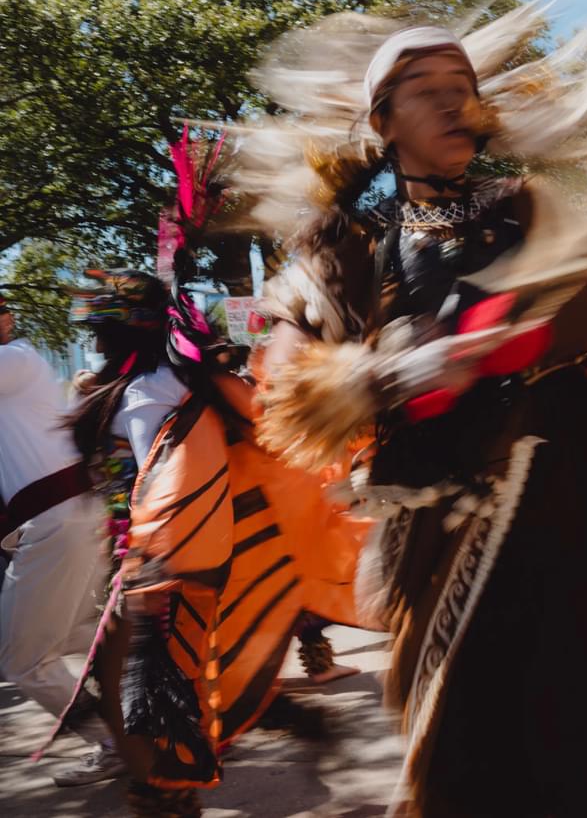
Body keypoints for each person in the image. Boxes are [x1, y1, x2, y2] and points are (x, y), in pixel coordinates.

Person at [240, 7, 587, 815]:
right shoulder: (345, 240)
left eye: (463, 89)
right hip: (446, 525)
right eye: (427, 92)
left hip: (575, 503)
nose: (453, 106)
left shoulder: (523, 207)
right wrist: (419, 367)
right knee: (468, 759)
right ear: (382, 122)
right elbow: (290, 381)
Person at [45, 268, 366, 817]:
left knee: (155, 704)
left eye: (101, 328)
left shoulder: (150, 394)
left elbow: (167, 487)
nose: (94, 340)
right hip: (153, 568)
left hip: (161, 573)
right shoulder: (155, 386)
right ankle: (224, 749)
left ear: (126, 331)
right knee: (154, 695)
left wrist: (149, 574)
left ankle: (171, 793)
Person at [0, 296, 117, 786]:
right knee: (79, 636)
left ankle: (115, 744)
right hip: (63, 521)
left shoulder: (15, 361)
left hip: (57, 522)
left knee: (23, 660)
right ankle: (156, 713)